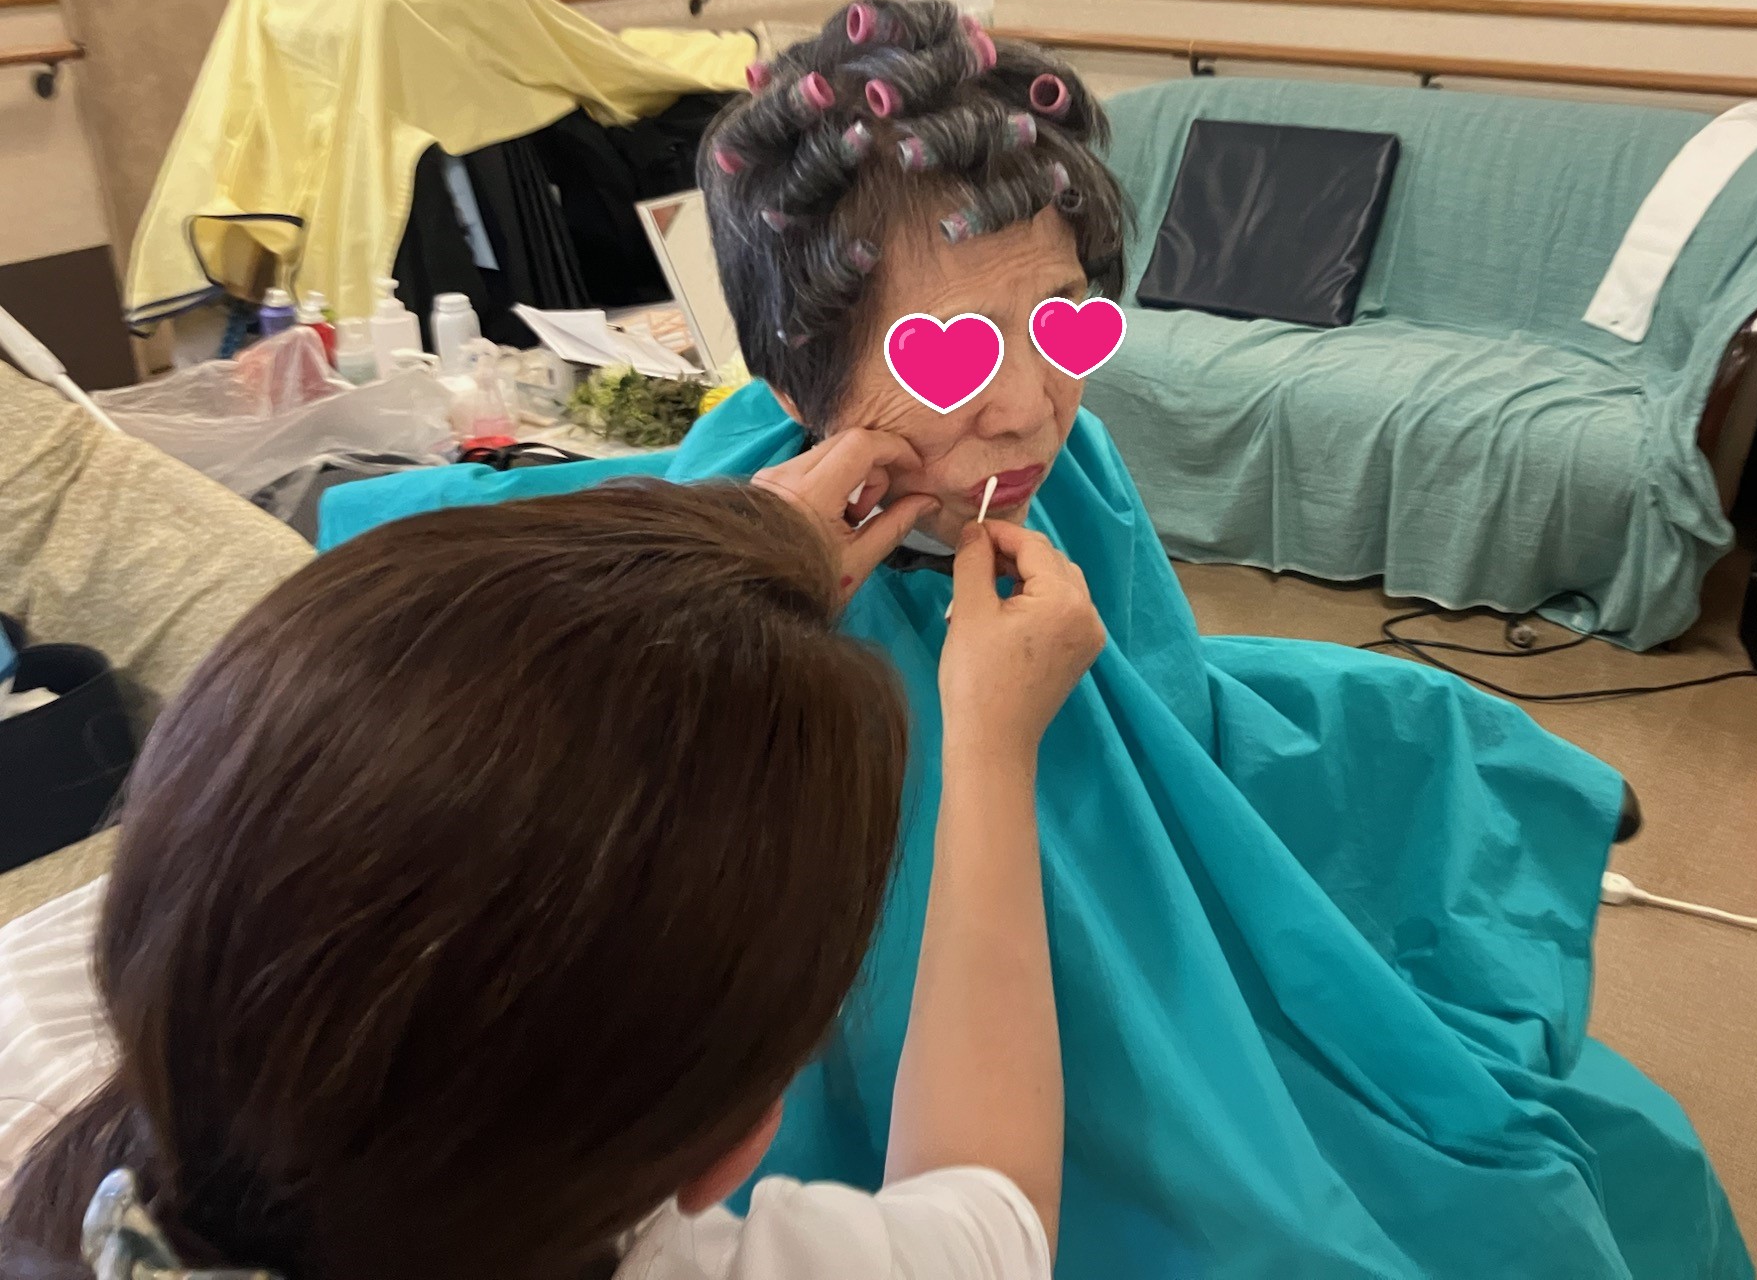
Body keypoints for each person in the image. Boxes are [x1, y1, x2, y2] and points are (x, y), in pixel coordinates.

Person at [309, 0, 1753, 1279]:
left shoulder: (1077, 476)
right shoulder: (734, 576)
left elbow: (1162, 718)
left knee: (1611, 1155)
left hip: (1164, 946)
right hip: (961, 1093)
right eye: (951, 350)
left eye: (1063, 325)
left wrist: (1447, 737)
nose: (1026, 408)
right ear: (800, 377)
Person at [0, 478, 1105, 1280]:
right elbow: (993, 1217)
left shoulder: (37, 1032)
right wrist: (990, 746)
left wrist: (697, 572)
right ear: (732, 1148)